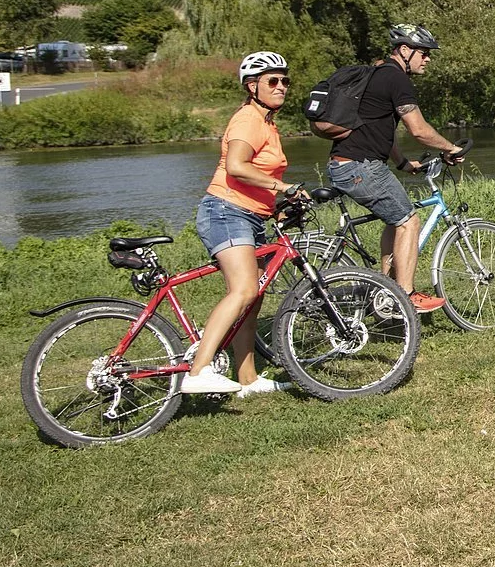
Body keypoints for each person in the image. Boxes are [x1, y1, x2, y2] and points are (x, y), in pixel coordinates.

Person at [184, 51, 304, 396]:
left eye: (285, 81)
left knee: (253, 299)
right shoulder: (248, 119)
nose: (281, 87)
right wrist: (283, 186)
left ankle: (247, 378)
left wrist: (278, 203)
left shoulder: (267, 123)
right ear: (252, 86)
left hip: (249, 214)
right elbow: (236, 166)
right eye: (273, 81)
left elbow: (257, 175)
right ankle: (198, 371)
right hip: (225, 211)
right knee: (244, 290)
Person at [326, 24, 463, 314]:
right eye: (423, 53)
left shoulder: (379, 74)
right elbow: (420, 130)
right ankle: (405, 295)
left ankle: (387, 290)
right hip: (360, 167)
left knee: (394, 218)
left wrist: (402, 163)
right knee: (408, 220)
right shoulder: (396, 79)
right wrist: (450, 148)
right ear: (404, 50)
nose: (427, 59)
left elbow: (380, 127)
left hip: (348, 164)